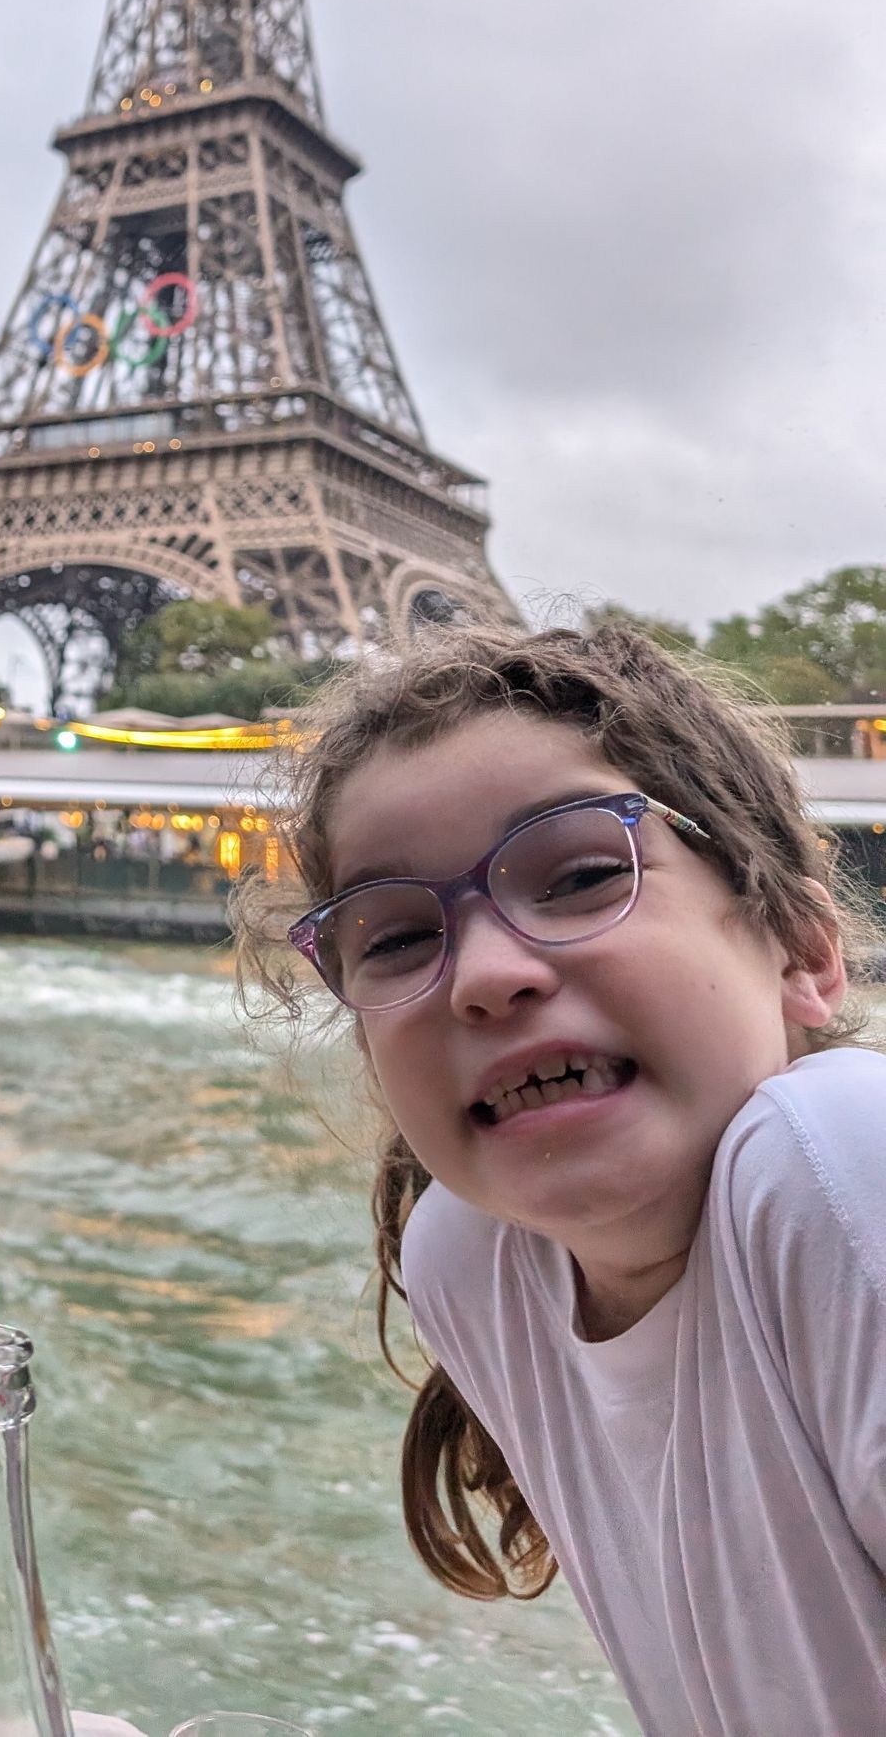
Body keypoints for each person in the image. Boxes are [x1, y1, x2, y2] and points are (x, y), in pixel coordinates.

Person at [244, 624, 886, 1737]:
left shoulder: (835, 1150)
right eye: (394, 939)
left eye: (585, 874)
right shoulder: (475, 1261)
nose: (486, 977)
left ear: (799, 949)